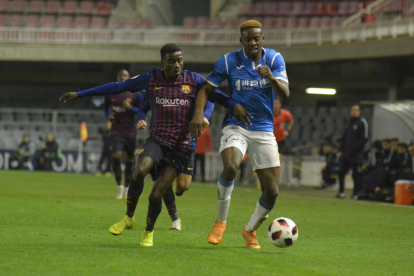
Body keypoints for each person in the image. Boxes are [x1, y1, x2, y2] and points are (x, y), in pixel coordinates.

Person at [59, 43, 240, 247]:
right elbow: (118, 87)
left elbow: (217, 97)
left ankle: (148, 231)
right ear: (162, 62)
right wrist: (81, 94)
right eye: (171, 61)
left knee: (159, 193)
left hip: (181, 146)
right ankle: (128, 217)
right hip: (158, 139)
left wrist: (235, 106)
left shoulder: (194, 79)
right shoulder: (152, 78)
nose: (177, 64)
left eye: (179, 60)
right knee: (139, 171)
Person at [190, 20, 290, 249]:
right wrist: (198, 113)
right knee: (231, 166)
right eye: (248, 38)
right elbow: (205, 89)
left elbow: (286, 92)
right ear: (241, 40)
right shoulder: (229, 60)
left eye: (257, 38)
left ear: (263, 39)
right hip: (236, 126)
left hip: (264, 129)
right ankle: (220, 222)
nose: (253, 42)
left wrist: (271, 78)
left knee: (272, 192)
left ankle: (249, 231)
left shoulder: (274, 59)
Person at [104, 69, 143, 199]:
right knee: (116, 155)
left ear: (129, 78)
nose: (123, 77)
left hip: (130, 131)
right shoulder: (111, 92)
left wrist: (130, 109)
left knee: (129, 160)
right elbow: (105, 107)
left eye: (125, 76)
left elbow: (142, 110)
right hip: (116, 130)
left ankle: (126, 188)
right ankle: (119, 187)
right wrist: (108, 116)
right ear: (117, 77)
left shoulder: (135, 94)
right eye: (120, 75)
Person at [336, 104, 368, 200]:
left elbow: (364, 139)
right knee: (341, 173)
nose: (354, 112)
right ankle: (341, 193)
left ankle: (355, 194)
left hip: (356, 154)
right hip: (346, 153)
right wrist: (341, 150)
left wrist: (354, 150)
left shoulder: (362, 122)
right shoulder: (349, 123)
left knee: (355, 175)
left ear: (359, 111)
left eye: (356, 110)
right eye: (353, 110)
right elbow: (344, 138)